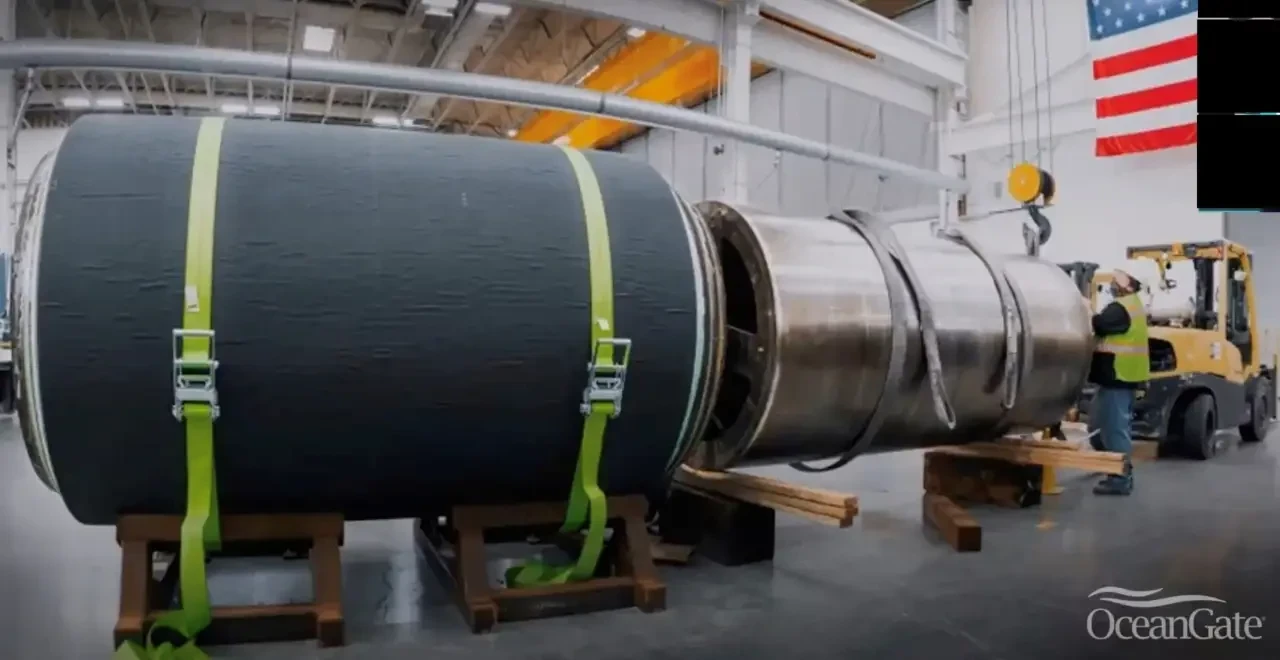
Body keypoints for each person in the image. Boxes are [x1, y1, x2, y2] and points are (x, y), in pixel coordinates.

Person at [1087, 269, 1149, 496]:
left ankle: (1120, 478)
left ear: (1129, 285)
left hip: (1118, 376)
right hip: (1117, 377)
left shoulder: (1122, 308)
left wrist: (1086, 308)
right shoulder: (1132, 305)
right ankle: (1108, 464)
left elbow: (1099, 324)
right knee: (1098, 426)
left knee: (1114, 429)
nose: (1113, 284)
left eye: (1118, 281)